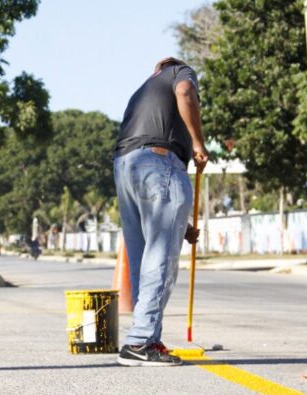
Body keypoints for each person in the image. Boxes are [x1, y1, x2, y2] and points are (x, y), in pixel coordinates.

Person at [113, 57, 207, 367]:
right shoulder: (179, 72)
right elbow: (185, 92)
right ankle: (141, 341)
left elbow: (160, 211)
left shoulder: (142, 91)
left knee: (145, 258)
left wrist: (182, 224)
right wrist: (198, 143)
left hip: (126, 166)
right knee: (160, 259)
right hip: (158, 159)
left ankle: (145, 338)